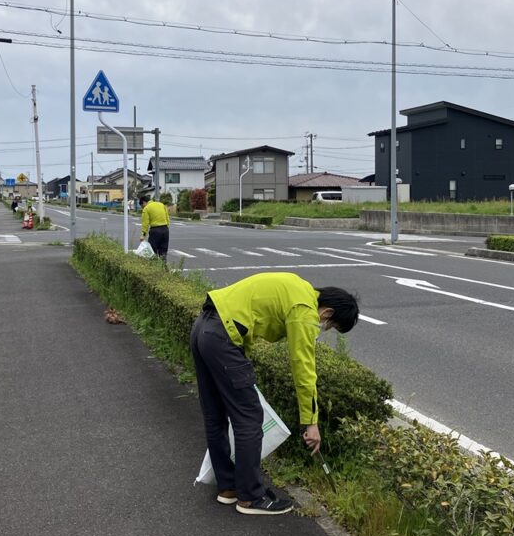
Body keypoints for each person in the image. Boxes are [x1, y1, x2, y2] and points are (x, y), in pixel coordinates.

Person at [190, 272, 359, 516]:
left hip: (203, 328)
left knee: (215, 414)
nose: (324, 327)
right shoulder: (305, 310)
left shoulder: (298, 287)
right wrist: (311, 422)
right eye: (330, 325)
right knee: (249, 417)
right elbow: (303, 368)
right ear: (328, 311)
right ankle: (251, 497)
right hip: (222, 338)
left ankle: (228, 488)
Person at [139, 196, 170, 262]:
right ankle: (163, 266)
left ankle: (154, 266)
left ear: (144, 202)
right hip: (165, 230)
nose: (142, 208)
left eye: (142, 206)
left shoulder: (146, 208)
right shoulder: (161, 205)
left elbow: (145, 223)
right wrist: (166, 228)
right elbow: (167, 218)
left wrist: (143, 235)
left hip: (155, 231)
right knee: (163, 251)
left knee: (152, 251)